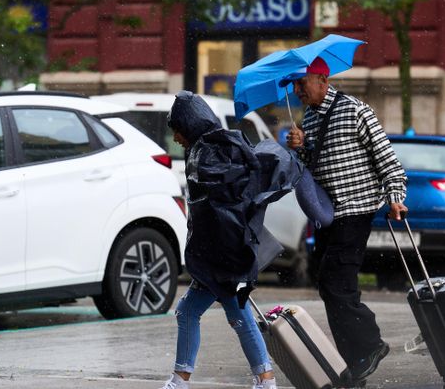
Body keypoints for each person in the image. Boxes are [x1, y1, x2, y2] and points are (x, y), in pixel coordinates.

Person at [286, 57, 408, 386]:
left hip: (355, 210)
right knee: (333, 287)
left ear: (323, 81)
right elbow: (311, 167)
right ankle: (356, 364)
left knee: (334, 282)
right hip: (328, 215)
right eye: (294, 85)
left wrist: (396, 196)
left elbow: (388, 159)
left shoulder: (355, 110)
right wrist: (299, 148)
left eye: (302, 83)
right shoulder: (308, 118)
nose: (297, 90)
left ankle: (371, 344)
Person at [160, 91, 279, 389]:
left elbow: (218, 207)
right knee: (228, 313)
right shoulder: (213, 147)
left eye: (178, 129)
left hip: (222, 255)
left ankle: (183, 380)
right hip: (223, 252)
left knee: (210, 312)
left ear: (189, 125)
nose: (175, 137)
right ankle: (263, 378)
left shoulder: (212, 151)